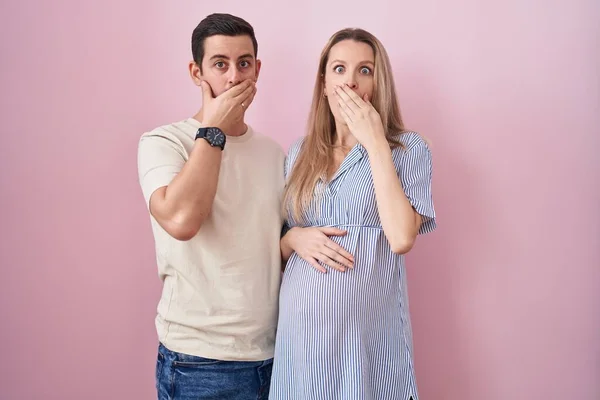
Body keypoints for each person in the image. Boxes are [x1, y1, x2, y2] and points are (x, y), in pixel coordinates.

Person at [269, 28, 437, 400]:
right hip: (301, 347)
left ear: (378, 83)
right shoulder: (299, 153)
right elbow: (275, 251)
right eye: (339, 69)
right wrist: (293, 238)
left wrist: (375, 139)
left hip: (368, 348)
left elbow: (401, 237)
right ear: (324, 83)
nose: (351, 81)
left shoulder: (408, 149)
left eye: (365, 70)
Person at [136, 13, 284, 400]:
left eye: (244, 63)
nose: (234, 77)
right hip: (199, 362)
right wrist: (214, 129)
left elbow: (272, 246)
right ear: (196, 72)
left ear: (257, 69)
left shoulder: (273, 154)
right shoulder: (163, 142)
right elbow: (182, 220)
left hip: (277, 354)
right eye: (220, 64)